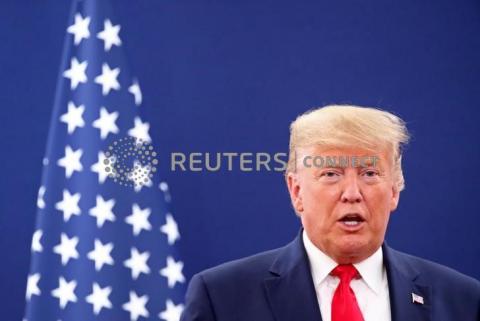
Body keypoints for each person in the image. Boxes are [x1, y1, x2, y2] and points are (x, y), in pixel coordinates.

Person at [180, 105, 480, 321]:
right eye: (331, 174)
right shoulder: (222, 298)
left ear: (394, 190)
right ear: (296, 191)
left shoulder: (463, 301)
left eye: (370, 173)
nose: (352, 192)